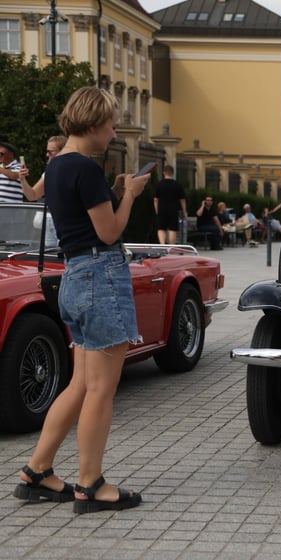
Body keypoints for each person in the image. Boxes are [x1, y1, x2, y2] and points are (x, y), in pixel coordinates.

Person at [13, 86, 150, 513]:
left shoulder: (57, 166)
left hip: (74, 275)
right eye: (110, 124)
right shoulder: (84, 169)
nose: (113, 133)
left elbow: (82, 217)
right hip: (101, 276)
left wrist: (112, 189)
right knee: (100, 392)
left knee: (78, 385)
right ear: (92, 124)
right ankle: (90, 485)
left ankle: (37, 472)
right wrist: (129, 195)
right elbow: (109, 232)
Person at [19, 135, 68, 201]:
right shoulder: (50, 173)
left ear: (62, 151)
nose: (47, 155)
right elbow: (32, 196)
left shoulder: (77, 170)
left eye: (50, 152)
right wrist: (22, 179)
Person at [153, 164, 187, 244]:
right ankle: (171, 246)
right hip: (174, 209)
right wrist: (184, 211)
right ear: (173, 173)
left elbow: (155, 199)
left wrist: (157, 210)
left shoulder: (160, 184)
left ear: (164, 173)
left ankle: (162, 245)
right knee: (173, 229)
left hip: (162, 208)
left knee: (161, 228)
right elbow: (182, 200)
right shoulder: (177, 185)